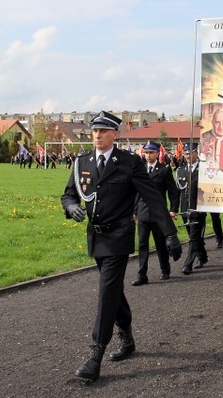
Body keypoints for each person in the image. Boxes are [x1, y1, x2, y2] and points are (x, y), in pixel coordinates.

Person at [60, 111, 182, 382]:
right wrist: (71, 207)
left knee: (106, 291)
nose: (97, 135)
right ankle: (127, 338)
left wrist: (170, 234)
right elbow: (68, 194)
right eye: (94, 131)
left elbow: (153, 199)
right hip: (96, 237)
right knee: (112, 290)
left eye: (103, 131)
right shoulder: (83, 162)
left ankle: (96, 354)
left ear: (115, 134)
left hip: (119, 237)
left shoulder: (128, 163)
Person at [133, 141, 180, 285]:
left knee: (160, 244)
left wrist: (173, 210)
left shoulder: (164, 170)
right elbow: (136, 192)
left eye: (151, 152)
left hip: (158, 214)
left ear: (157, 153)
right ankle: (142, 275)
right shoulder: (140, 170)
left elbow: (173, 192)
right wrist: (134, 211)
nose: (148, 155)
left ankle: (165, 270)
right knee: (142, 245)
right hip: (142, 213)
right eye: (146, 153)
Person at [177, 143, 208, 274]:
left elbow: (209, 191)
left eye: (191, 153)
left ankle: (187, 265)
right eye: (186, 153)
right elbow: (178, 191)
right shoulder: (181, 170)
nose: (188, 156)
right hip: (185, 208)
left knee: (194, 237)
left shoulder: (204, 170)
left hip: (198, 208)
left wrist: (205, 206)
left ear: (197, 153)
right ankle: (203, 256)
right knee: (194, 236)